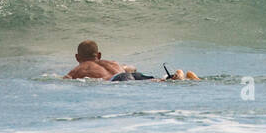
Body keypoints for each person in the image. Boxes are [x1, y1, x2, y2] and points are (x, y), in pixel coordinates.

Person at [64, 40, 199, 81]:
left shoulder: (80, 68)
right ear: (98, 55)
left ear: (77, 57)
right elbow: (131, 68)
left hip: (119, 80)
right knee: (156, 81)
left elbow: (66, 79)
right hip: (128, 74)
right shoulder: (112, 63)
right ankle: (180, 76)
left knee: (155, 83)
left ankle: (179, 77)